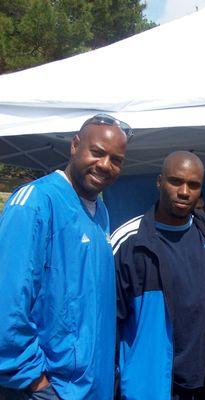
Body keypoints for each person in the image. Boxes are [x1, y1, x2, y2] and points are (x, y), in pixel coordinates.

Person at [0, 113, 130, 399]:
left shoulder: (100, 212)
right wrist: (34, 381)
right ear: (74, 145)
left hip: (90, 385)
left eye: (116, 159)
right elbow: (7, 302)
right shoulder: (35, 202)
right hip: (47, 387)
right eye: (97, 153)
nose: (105, 165)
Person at [111, 151, 205, 400]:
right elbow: (107, 323)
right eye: (176, 181)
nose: (184, 192)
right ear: (159, 181)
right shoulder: (129, 241)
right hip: (152, 387)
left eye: (193, 185)